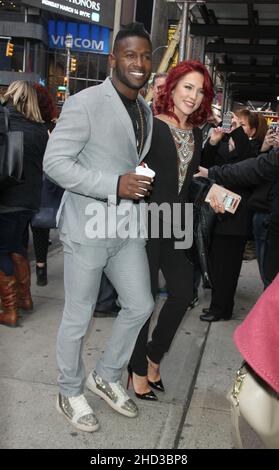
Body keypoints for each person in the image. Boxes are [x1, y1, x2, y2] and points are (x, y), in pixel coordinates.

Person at [43, 23, 155, 432]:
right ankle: (68, 389)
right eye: (130, 55)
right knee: (78, 315)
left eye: (145, 55)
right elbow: (54, 164)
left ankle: (107, 375)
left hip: (126, 230)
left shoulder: (144, 110)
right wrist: (114, 185)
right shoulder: (85, 102)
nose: (139, 63)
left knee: (141, 304)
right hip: (87, 228)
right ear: (114, 59)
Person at [128, 60, 215, 400]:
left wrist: (214, 189)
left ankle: (153, 355)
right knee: (143, 301)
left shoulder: (195, 132)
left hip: (176, 223)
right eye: (188, 87)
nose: (193, 96)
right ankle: (136, 368)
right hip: (147, 222)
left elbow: (188, 176)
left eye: (200, 90)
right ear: (173, 87)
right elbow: (131, 167)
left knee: (182, 293)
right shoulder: (150, 125)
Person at [199, 109, 267, 322]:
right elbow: (207, 166)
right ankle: (216, 305)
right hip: (216, 213)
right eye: (234, 123)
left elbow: (245, 161)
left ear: (252, 131)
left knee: (227, 268)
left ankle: (222, 310)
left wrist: (233, 130)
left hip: (236, 219)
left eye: (242, 124)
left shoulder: (254, 151)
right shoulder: (223, 145)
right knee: (216, 264)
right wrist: (212, 142)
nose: (235, 127)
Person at [0, 81, 48, 327]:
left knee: (2, 252)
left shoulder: (6, 121)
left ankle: (9, 310)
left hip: (7, 197)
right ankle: (25, 298)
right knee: (17, 247)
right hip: (29, 201)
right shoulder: (40, 129)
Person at [31, 83, 61, 286]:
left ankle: (39, 268)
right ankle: (40, 267)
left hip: (34, 184)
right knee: (40, 227)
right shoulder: (52, 128)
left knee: (36, 225)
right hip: (43, 186)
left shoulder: (40, 127)